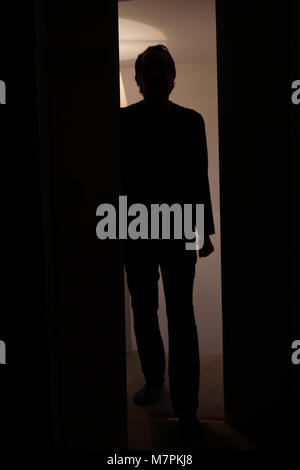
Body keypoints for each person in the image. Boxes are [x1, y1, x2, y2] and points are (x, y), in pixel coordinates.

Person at [120, 44, 215, 441]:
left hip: (177, 228)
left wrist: (203, 233)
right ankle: (155, 379)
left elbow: (198, 178)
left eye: (163, 68)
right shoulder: (121, 122)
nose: (157, 75)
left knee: (180, 315)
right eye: (150, 69)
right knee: (145, 310)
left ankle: (186, 404)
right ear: (139, 79)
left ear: (173, 76)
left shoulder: (193, 122)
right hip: (136, 228)